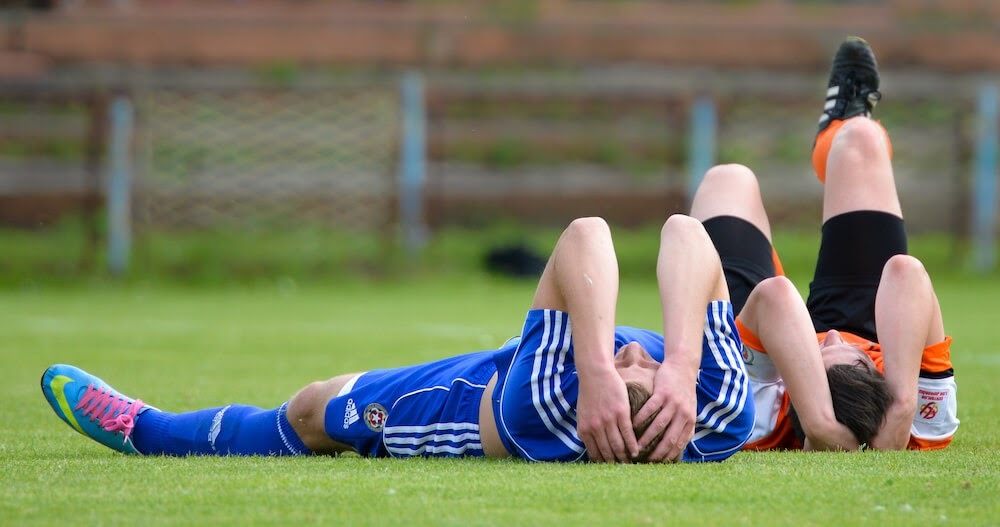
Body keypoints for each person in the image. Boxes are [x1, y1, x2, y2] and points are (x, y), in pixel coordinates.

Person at [41, 215, 754, 463]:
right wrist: (682, 364)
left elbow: (586, 236)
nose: (641, 350)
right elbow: (688, 235)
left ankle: (146, 428)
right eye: (643, 363)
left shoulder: (549, 403)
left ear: (592, 414)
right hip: (573, 360)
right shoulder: (716, 411)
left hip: (472, 401)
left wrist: (594, 369)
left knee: (314, 412)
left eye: (634, 364)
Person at [688, 37, 958, 451]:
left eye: (819, 358)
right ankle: (838, 124)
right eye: (847, 353)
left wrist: (820, 423)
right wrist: (901, 405)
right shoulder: (925, 427)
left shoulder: (755, 419)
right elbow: (906, 273)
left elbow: (774, 295)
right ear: (875, 370)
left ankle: (794, 358)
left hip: (768, 357)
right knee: (860, 138)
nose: (829, 336)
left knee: (728, 180)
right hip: (867, 323)